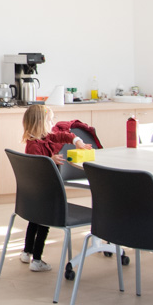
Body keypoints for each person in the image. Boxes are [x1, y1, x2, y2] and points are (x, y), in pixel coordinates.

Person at [19, 103, 95, 271]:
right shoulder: (34, 145)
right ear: (41, 123)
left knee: (34, 222)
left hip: (36, 195)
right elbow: (38, 168)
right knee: (42, 225)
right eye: (50, 121)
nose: (52, 124)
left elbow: (63, 135)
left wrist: (77, 141)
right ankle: (36, 260)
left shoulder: (44, 138)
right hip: (42, 194)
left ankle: (27, 252)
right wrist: (50, 160)